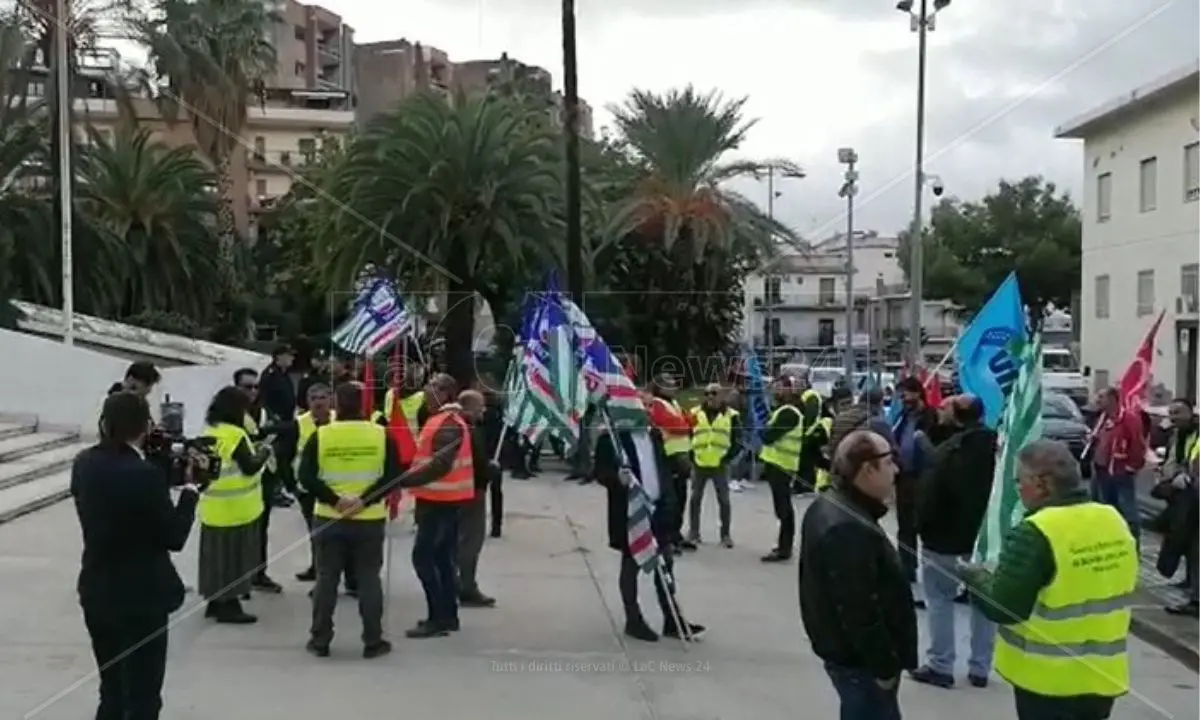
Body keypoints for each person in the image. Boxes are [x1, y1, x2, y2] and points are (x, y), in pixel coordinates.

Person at [962, 440, 1138, 720]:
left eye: (1019, 481)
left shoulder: (1035, 532)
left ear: (1042, 483)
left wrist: (974, 577)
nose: (1017, 489)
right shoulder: (1113, 519)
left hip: (1048, 682)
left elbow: (1004, 606)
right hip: (1103, 677)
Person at [73, 391, 201, 720]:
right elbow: (173, 536)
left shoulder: (84, 463)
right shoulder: (144, 475)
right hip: (141, 597)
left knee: (112, 689)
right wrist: (189, 493)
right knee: (143, 694)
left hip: (98, 590)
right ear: (144, 425)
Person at [799, 430, 917, 720]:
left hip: (852, 659)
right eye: (890, 462)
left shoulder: (839, 507)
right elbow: (859, 609)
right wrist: (884, 667)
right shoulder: (847, 526)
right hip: (860, 664)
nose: (897, 470)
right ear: (868, 468)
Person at [299, 382, 406, 658]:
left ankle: (320, 639)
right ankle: (373, 640)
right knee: (369, 578)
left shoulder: (322, 435)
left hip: (328, 517)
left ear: (336, 403)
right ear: (363, 404)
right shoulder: (381, 435)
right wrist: (365, 500)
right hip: (368, 519)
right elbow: (393, 474)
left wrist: (334, 500)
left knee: (326, 579)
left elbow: (306, 477)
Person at [910, 394, 998, 689]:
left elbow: (930, 495)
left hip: (945, 540)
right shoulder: (998, 449)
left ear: (958, 415)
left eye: (946, 406)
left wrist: (922, 526)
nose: (940, 408)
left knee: (939, 600)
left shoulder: (950, 453)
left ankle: (941, 664)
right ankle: (980, 668)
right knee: (983, 603)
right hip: (985, 541)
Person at [595, 424, 705, 642]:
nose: (643, 407)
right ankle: (633, 619)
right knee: (631, 565)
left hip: (659, 509)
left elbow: (660, 469)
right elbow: (600, 472)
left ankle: (672, 618)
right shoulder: (612, 439)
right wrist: (617, 478)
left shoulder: (654, 435)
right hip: (632, 512)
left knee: (665, 565)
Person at [406, 373, 475, 638]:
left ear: (446, 393)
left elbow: (439, 465)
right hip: (438, 500)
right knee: (442, 560)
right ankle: (447, 615)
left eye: (432, 387)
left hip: (440, 503)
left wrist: (403, 480)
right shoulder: (440, 420)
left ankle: (438, 616)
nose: (426, 390)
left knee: (425, 558)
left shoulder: (448, 424)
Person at [197, 386, 271, 624]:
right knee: (235, 559)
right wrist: (265, 452)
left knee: (214, 559)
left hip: (213, 507)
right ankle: (230, 605)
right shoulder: (235, 436)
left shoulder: (209, 431)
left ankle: (214, 601)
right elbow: (249, 466)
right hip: (238, 508)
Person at [233, 367, 285, 593]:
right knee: (238, 533)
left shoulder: (263, 412)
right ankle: (237, 580)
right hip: (238, 481)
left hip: (263, 478)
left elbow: (281, 431)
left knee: (260, 529)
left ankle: (258, 574)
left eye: (255, 386)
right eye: (247, 386)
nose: (252, 391)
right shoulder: (231, 414)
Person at [1152, 398, 1199, 616]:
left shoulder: (1196, 434)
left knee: (1193, 545)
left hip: (1193, 496)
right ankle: (1191, 585)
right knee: (1187, 543)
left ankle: (1196, 598)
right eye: (1171, 413)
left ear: (1191, 412)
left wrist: (1187, 477)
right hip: (1183, 495)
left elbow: (1193, 464)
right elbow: (1171, 456)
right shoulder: (1176, 434)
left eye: (1178, 412)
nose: (1174, 417)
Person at [891, 376, 937, 583]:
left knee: (925, 524)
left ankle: (931, 572)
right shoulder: (903, 416)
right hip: (904, 477)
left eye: (907, 393)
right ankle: (906, 567)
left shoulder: (930, 417)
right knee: (905, 525)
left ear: (918, 393)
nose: (903, 398)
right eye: (901, 394)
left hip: (923, 477)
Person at [1089, 387, 1148, 545]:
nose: (1097, 399)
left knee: (1127, 510)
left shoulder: (1128, 418)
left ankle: (1133, 542)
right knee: (1105, 508)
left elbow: (1137, 443)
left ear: (1113, 399)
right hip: (1101, 470)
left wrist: (1132, 465)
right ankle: (1110, 540)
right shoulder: (1102, 418)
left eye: (1101, 396)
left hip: (1120, 471)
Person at [292, 383, 337, 585]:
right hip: (309, 487)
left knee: (338, 534)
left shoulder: (340, 420)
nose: (318, 402)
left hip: (336, 486)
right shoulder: (299, 423)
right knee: (315, 533)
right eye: (313, 398)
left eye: (323, 397)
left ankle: (343, 575)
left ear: (331, 399)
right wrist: (293, 486)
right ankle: (317, 569)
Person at [456, 389, 499, 607]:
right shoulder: (468, 430)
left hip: (460, 492)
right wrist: (490, 470)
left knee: (460, 542)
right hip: (471, 493)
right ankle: (466, 587)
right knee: (470, 543)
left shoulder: (457, 426)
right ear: (468, 407)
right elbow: (476, 464)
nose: (483, 410)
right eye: (480, 406)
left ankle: (460, 583)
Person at [687, 383, 739, 548]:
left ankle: (725, 535)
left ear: (722, 395)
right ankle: (694, 533)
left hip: (720, 464)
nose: (710, 396)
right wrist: (691, 456)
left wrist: (728, 458)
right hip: (699, 462)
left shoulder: (732, 415)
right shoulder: (694, 413)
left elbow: (738, 439)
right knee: (695, 499)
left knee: (724, 500)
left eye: (714, 393)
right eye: (707, 393)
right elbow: (687, 435)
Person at [758, 377, 804, 562]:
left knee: (784, 509)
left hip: (781, 465)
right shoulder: (784, 411)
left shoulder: (789, 413)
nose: (775, 391)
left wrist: (762, 429)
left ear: (789, 390)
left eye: (779, 388)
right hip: (779, 464)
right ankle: (784, 546)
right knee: (783, 508)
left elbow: (769, 436)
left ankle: (784, 549)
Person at [646, 373, 694, 550]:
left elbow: (688, 420)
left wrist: (686, 423)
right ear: (660, 387)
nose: (674, 387)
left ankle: (675, 534)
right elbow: (676, 425)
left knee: (681, 497)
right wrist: (686, 424)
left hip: (681, 456)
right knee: (670, 501)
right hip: (668, 456)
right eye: (670, 384)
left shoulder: (673, 403)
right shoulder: (657, 404)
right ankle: (666, 537)